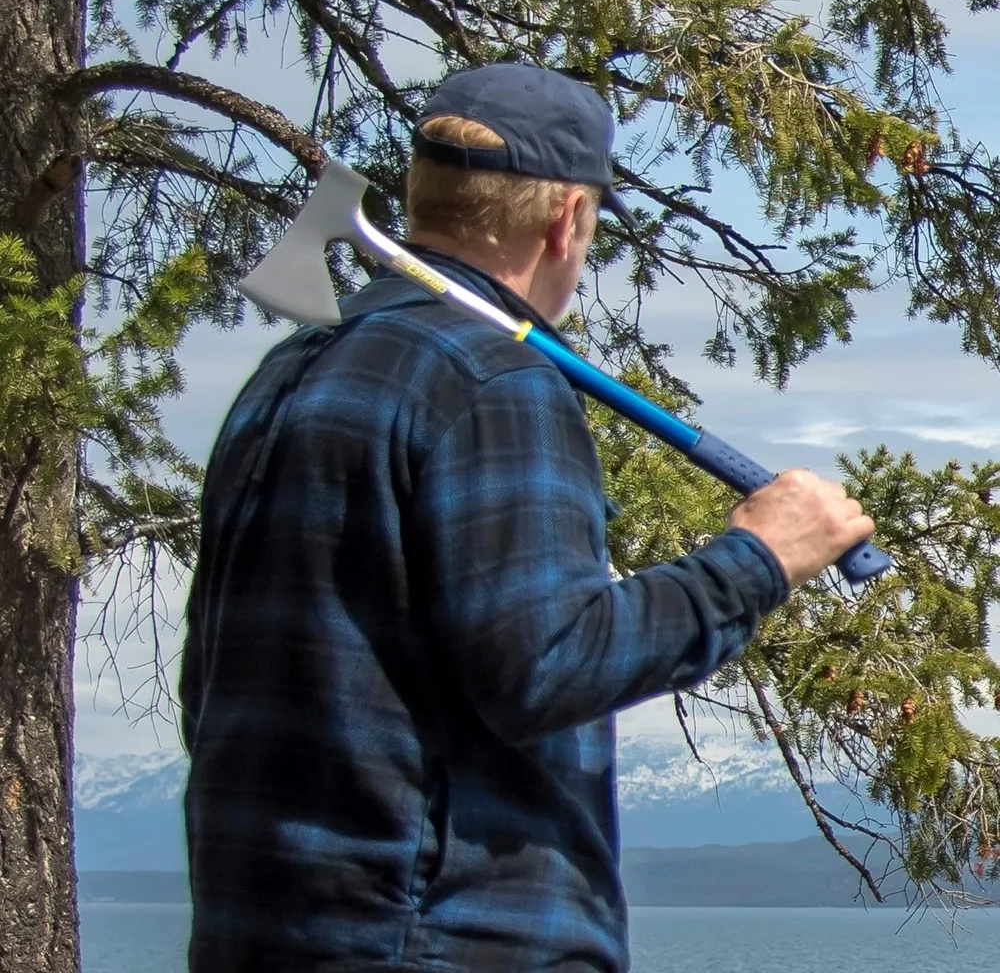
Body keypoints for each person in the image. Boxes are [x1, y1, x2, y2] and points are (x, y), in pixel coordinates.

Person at [178, 62, 875, 973]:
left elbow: (210, 679)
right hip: (439, 938)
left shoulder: (291, 372)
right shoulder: (494, 382)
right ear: (566, 221)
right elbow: (549, 664)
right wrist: (760, 557)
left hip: (265, 932)